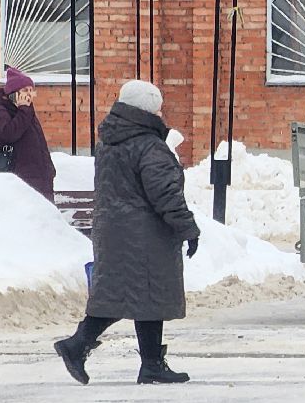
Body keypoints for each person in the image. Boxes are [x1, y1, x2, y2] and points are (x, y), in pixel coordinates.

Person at [53, 79, 201, 386]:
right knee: (131, 295)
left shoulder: (111, 140)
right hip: (144, 235)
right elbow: (165, 193)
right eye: (158, 108)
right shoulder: (148, 145)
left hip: (117, 230)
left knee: (138, 296)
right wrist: (187, 228)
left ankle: (151, 364)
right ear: (146, 111)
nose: (162, 113)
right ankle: (77, 345)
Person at [0, 66, 56, 201]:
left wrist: (49, 170)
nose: (29, 94)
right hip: (21, 178)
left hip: (40, 177)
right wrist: (24, 110)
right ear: (13, 93)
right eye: (25, 90)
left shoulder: (26, 111)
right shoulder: (1, 111)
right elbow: (8, 133)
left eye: (31, 90)